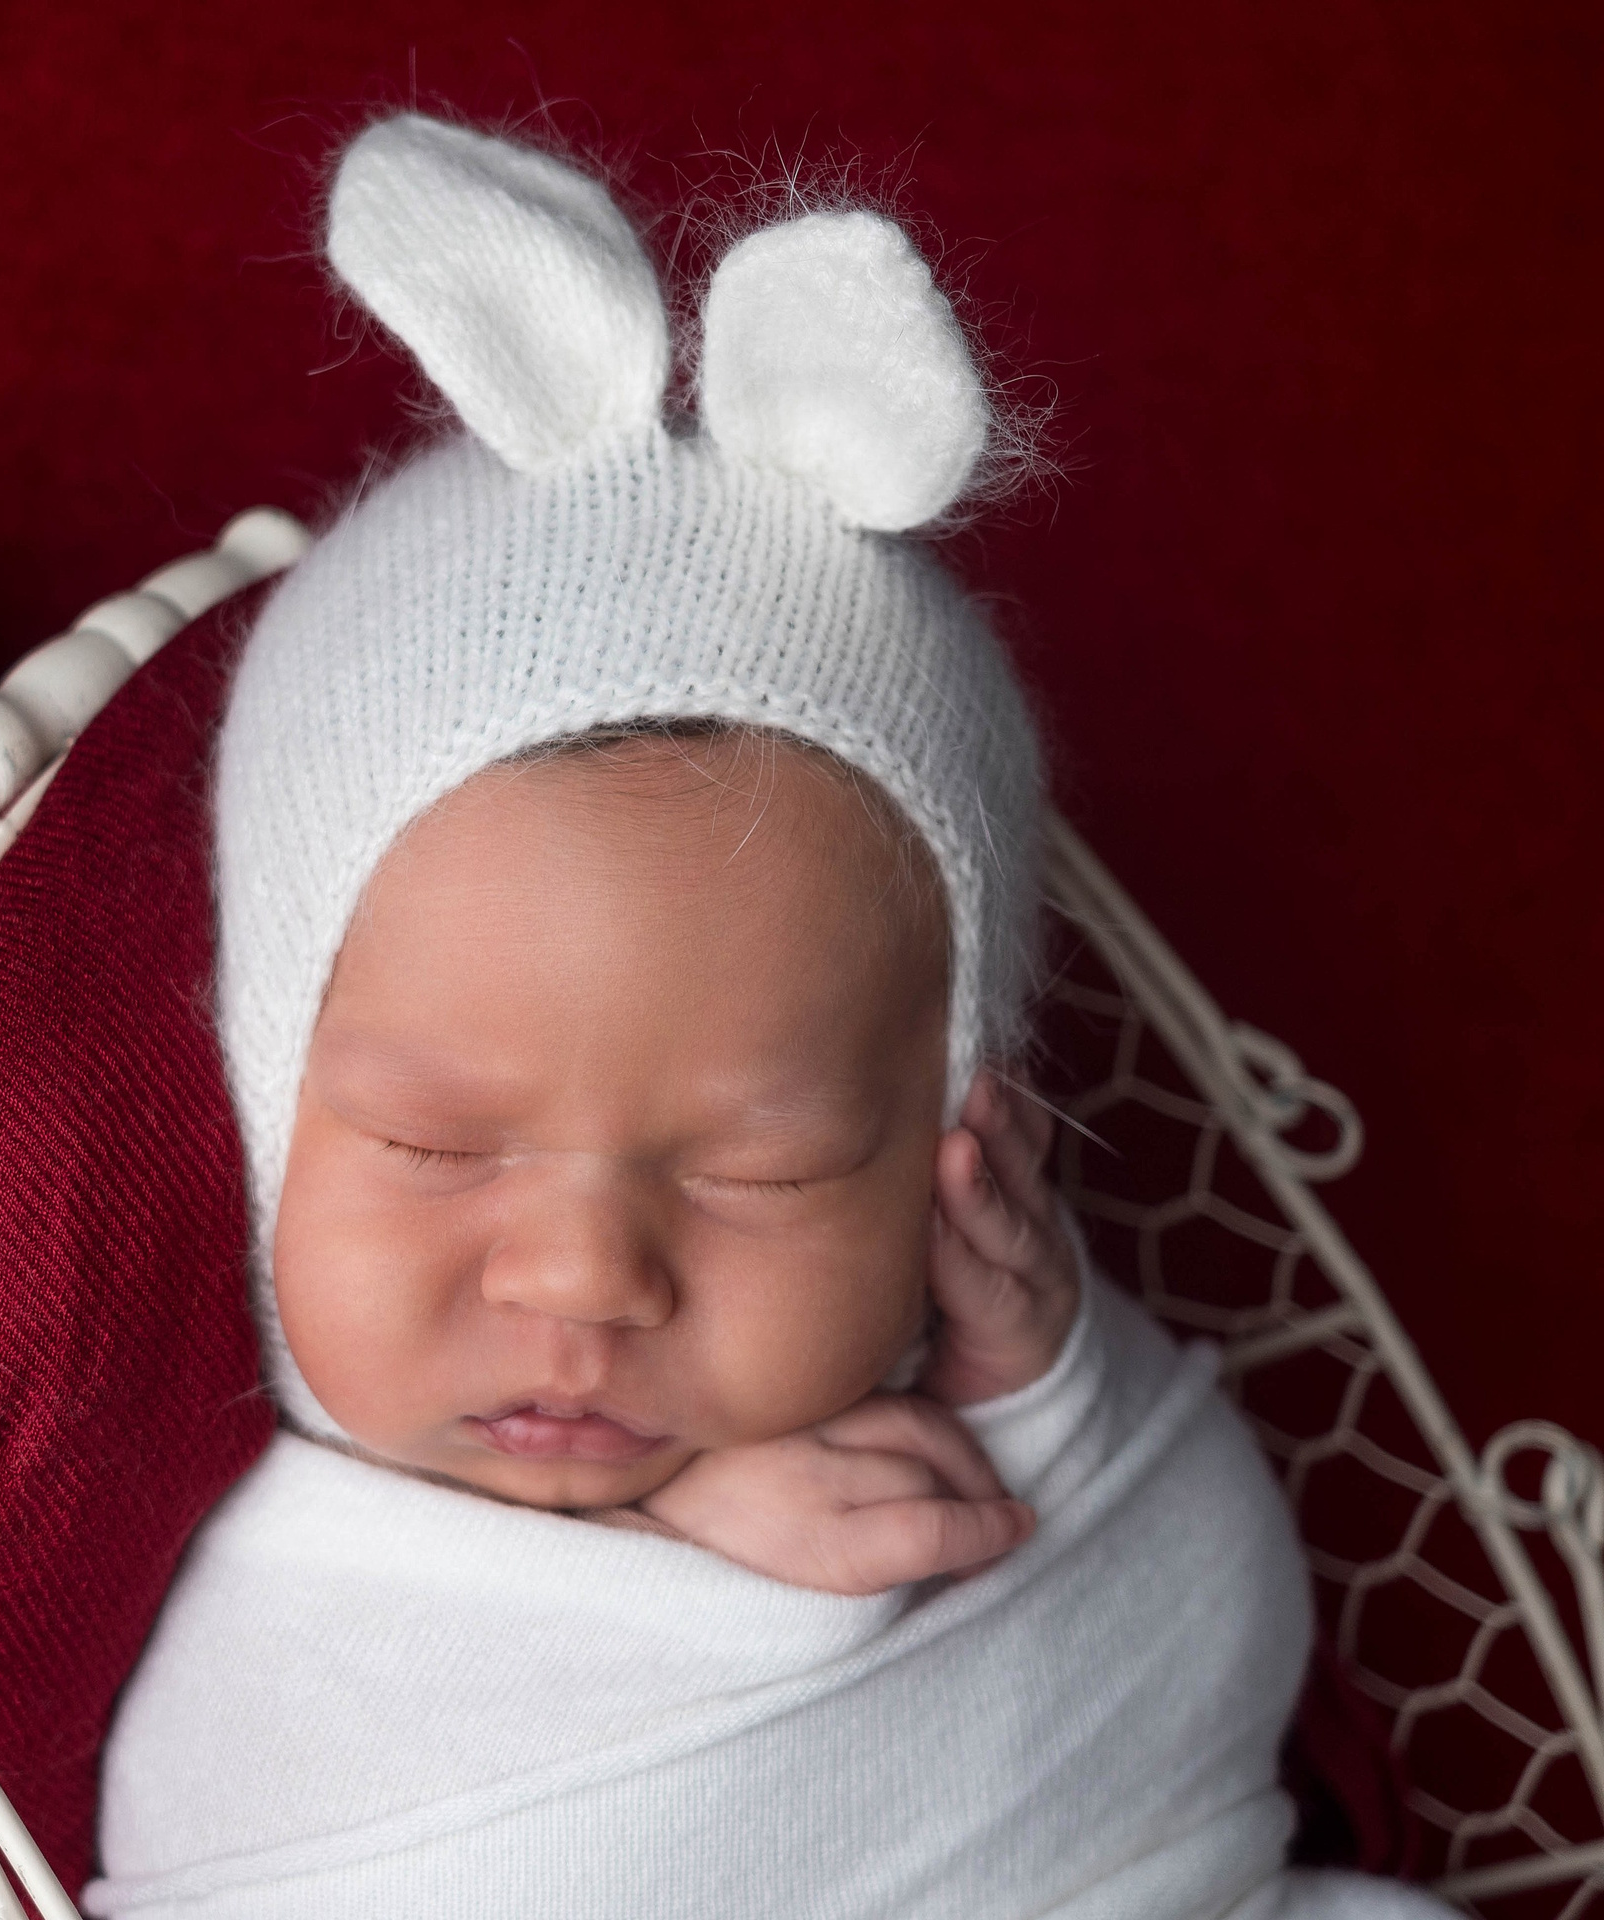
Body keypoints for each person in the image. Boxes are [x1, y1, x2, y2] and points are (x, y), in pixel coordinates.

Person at [85, 112, 1451, 1920]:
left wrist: (1035, 1391)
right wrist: (684, 1574)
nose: (578, 1278)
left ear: (943, 1143)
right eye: (431, 1143)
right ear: (269, 1109)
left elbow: (1204, 1624)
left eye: (767, 1169)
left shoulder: (983, 1397)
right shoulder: (283, 1617)